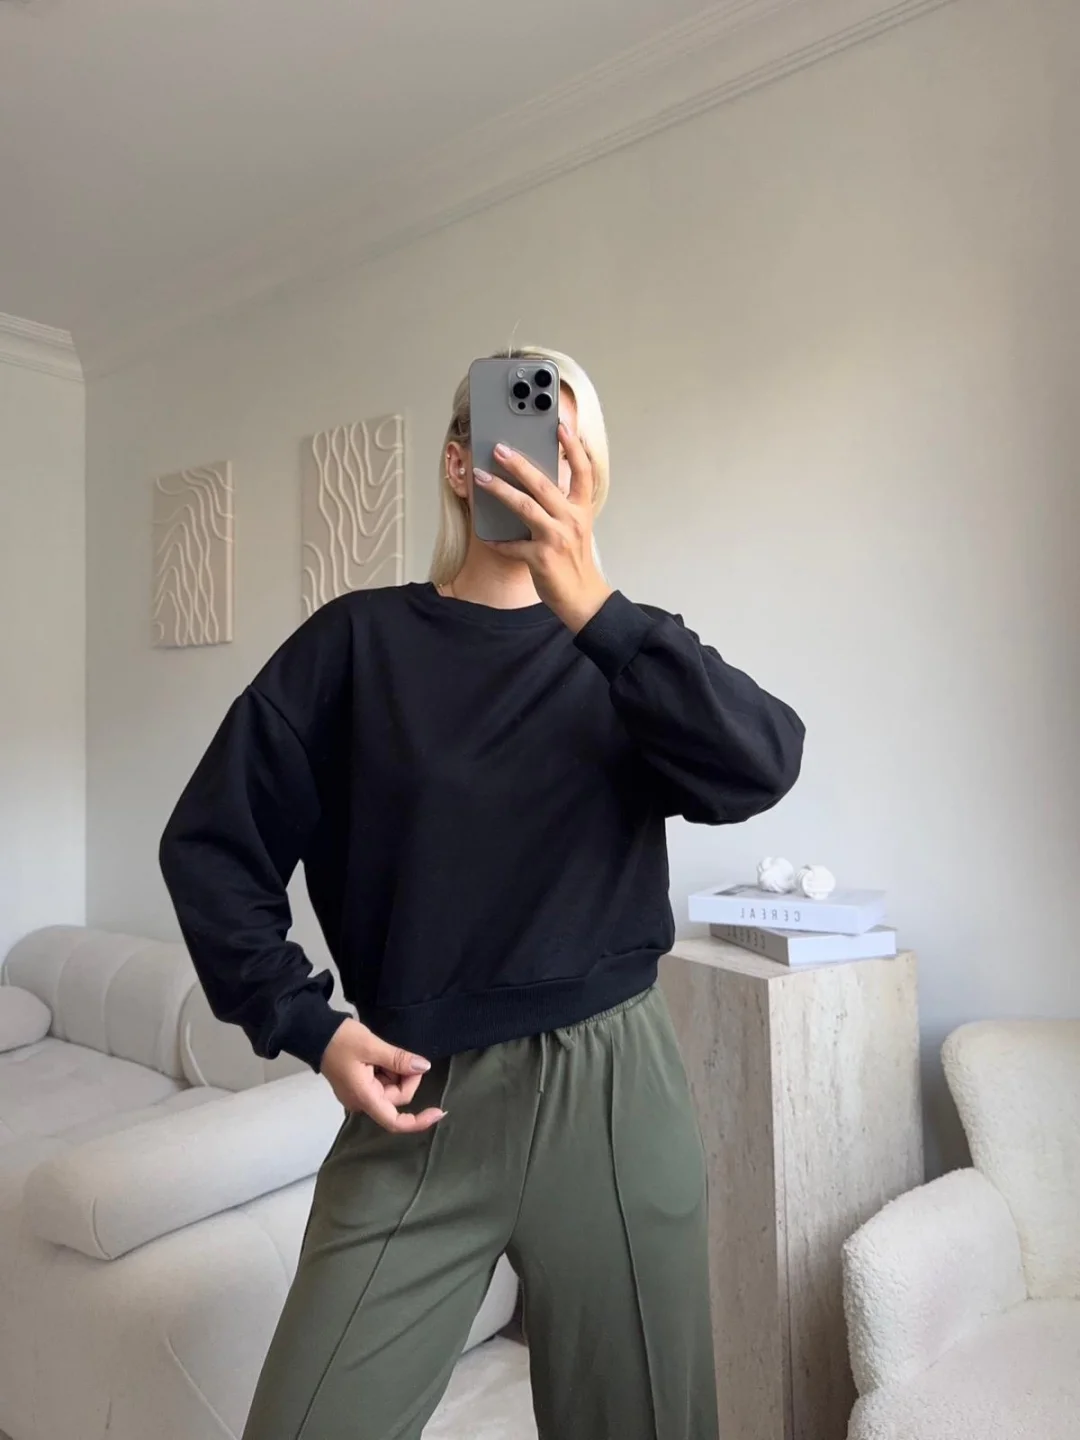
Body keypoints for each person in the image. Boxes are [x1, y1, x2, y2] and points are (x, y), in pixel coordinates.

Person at [159, 346, 805, 1440]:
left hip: (614, 1089)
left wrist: (596, 611)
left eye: (569, 448)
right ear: (463, 464)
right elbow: (212, 847)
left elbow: (763, 763)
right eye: (523, 437)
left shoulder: (630, 658)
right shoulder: (356, 645)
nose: (545, 464)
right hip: (416, 1096)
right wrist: (307, 1024)